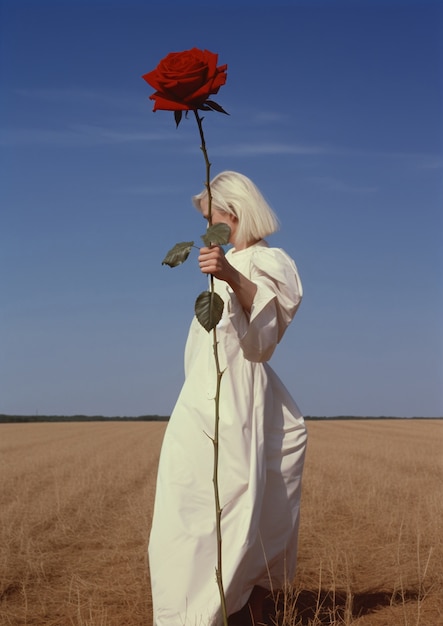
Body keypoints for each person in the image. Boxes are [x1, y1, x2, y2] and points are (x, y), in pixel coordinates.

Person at [149, 171, 308, 626]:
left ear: (233, 214)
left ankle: (235, 610)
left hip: (237, 404)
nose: (207, 230)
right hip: (200, 401)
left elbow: (266, 336)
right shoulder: (228, 264)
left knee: (235, 508)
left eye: (211, 219)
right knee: (185, 513)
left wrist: (231, 273)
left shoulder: (268, 261)